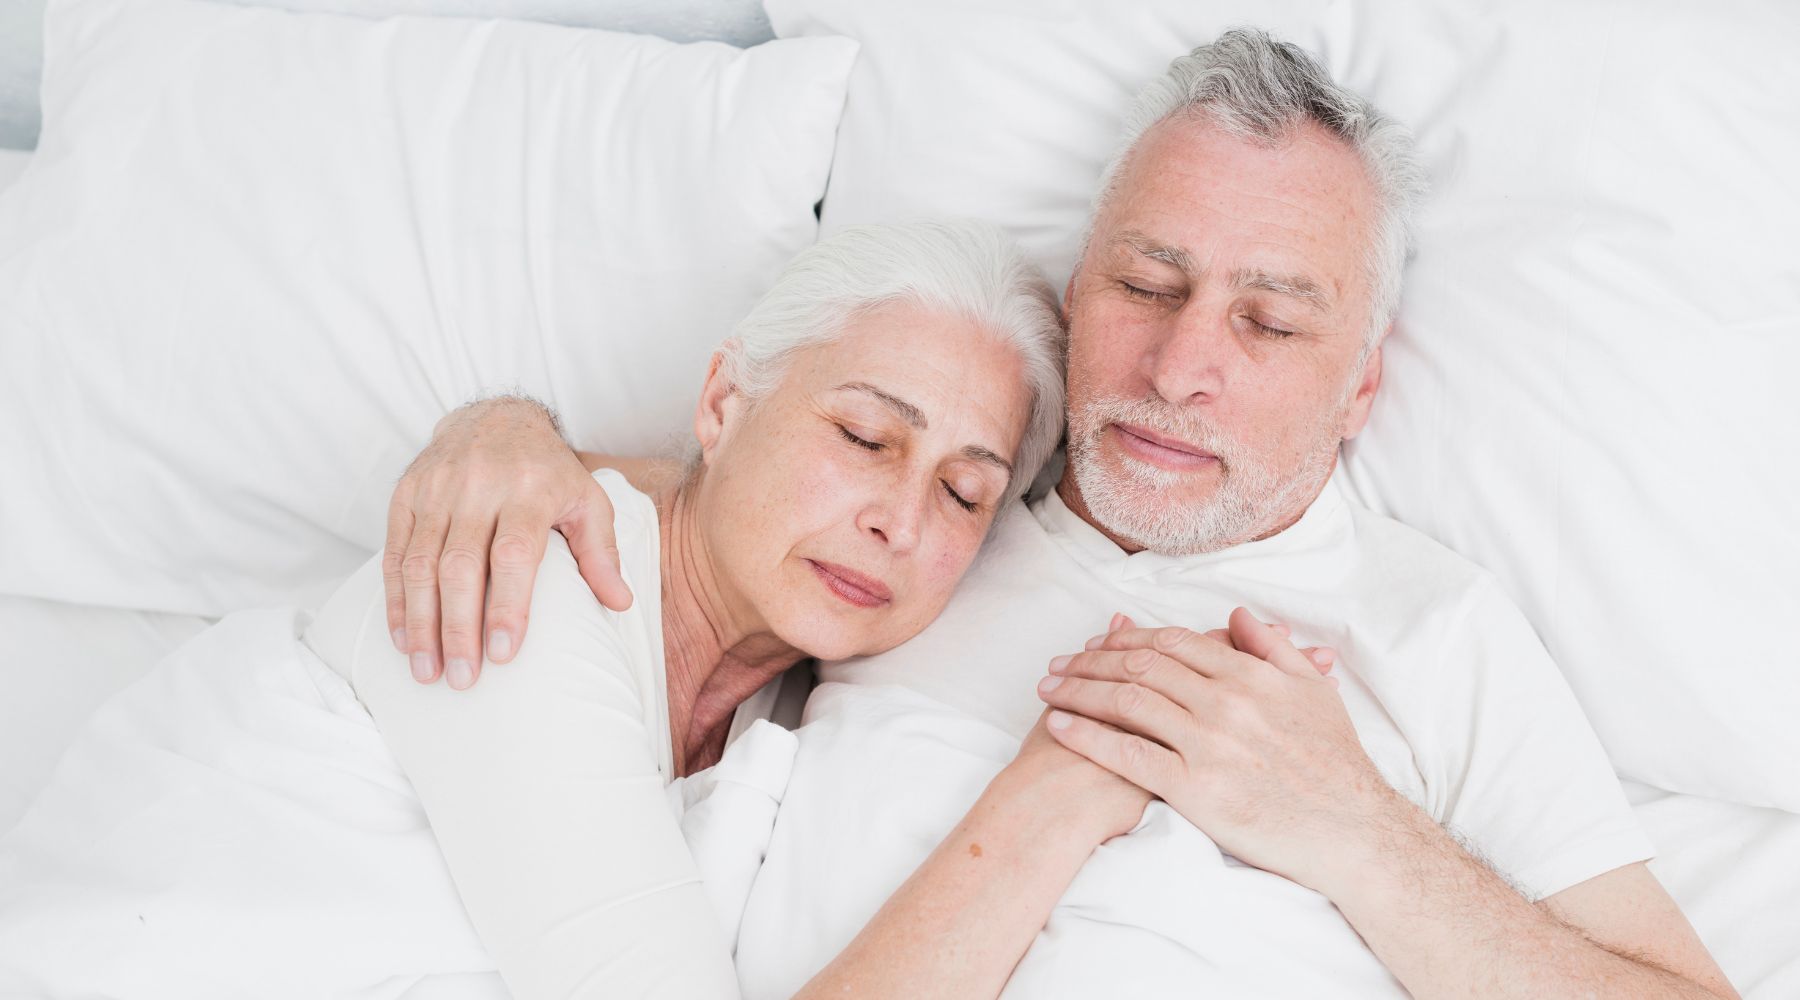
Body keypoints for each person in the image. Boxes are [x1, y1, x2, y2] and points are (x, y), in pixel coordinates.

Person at [387, 30, 1738, 999]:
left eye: (1269, 319)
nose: (1178, 364)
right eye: (1147, 285)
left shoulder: (1437, 634)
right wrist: (503, 434)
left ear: (1362, 388)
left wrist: (1357, 832)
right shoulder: (923, 540)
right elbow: (715, 506)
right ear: (1076, 295)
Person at [310, 218, 1069, 996]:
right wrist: (1064, 789)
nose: (902, 525)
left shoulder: (798, 710)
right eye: (864, 436)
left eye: (962, 492)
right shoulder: (520, 584)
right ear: (722, 404)